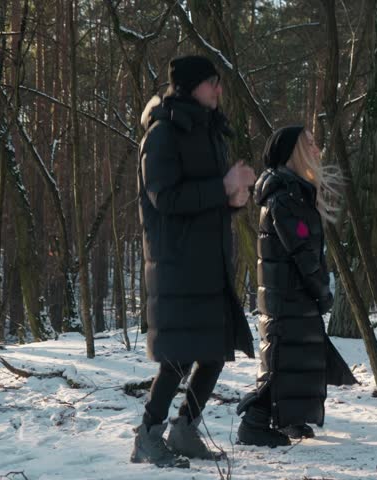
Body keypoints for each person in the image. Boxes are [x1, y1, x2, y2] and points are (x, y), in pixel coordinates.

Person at [132, 55, 257, 468]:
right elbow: (164, 197)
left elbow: (207, 199)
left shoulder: (209, 131)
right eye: (211, 83)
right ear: (189, 87)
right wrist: (222, 186)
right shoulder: (164, 133)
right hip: (177, 261)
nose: (219, 90)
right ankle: (147, 436)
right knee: (178, 354)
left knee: (216, 349)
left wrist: (233, 201)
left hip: (209, 260)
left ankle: (185, 430)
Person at [236, 125, 357, 447]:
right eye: (311, 144)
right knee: (283, 363)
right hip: (288, 296)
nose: (318, 150)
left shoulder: (294, 193)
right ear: (294, 152)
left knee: (299, 361)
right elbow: (303, 251)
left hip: (291, 295)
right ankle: (254, 423)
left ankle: (289, 419)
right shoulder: (286, 198)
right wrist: (321, 290)